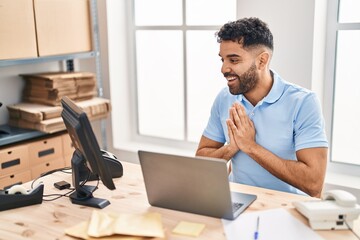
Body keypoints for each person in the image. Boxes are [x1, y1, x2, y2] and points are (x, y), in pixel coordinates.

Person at [196, 17, 328, 197]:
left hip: (287, 207)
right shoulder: (225, 97)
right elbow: (201, 159)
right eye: (223, 60)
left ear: (262, 61)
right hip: (234, 201)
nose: (224, 69)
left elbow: (314, 184)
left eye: (233, 60)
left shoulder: (303, 102)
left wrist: (250, 146)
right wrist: (230, 149)